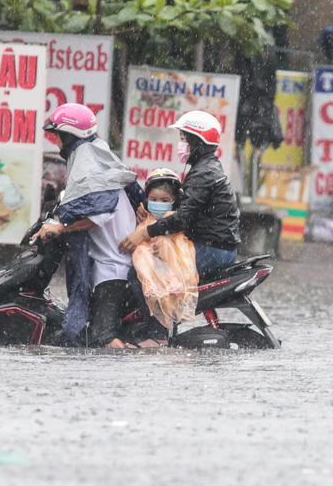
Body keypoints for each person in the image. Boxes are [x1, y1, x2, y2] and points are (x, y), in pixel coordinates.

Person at [30, 103, 143, 348]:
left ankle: (142, 364)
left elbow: (96, 215)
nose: (57, 143)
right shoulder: (96, 161)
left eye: (57, 136)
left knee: (102, 338)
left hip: (114, 271)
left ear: (70, 135)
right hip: (111, 266)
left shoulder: (89, 168)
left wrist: (60, 228)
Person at [119, 111, 240, 277]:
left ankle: (156, 304)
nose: (181, 144)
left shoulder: (204, 173)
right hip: (214, 247)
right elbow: (183, 200)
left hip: (212, 251)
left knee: (141, 271)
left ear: (197, 141)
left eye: (184, 139)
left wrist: (144, 232)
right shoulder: (204, 168)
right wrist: (147, 205)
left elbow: (183, 218)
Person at [129, 168, 199, 338]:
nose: (158, 203)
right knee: (139, 254)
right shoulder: (145, 214)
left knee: (163, 241)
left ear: (174, 201)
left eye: (164, 200)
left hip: (174, 259)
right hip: (151, 258)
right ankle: (150, 287)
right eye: (153, 199)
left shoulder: (173, 217)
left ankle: (160, 336)